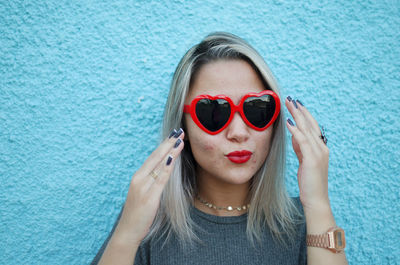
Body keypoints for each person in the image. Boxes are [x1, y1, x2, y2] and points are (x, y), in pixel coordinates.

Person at [91, 32, 348, 265]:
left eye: (257, 109)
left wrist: (318, 202)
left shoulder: (306, 221)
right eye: (214, 112)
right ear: (184, 126)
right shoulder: (147, 221)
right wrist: (127, 234)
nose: (238, 133)